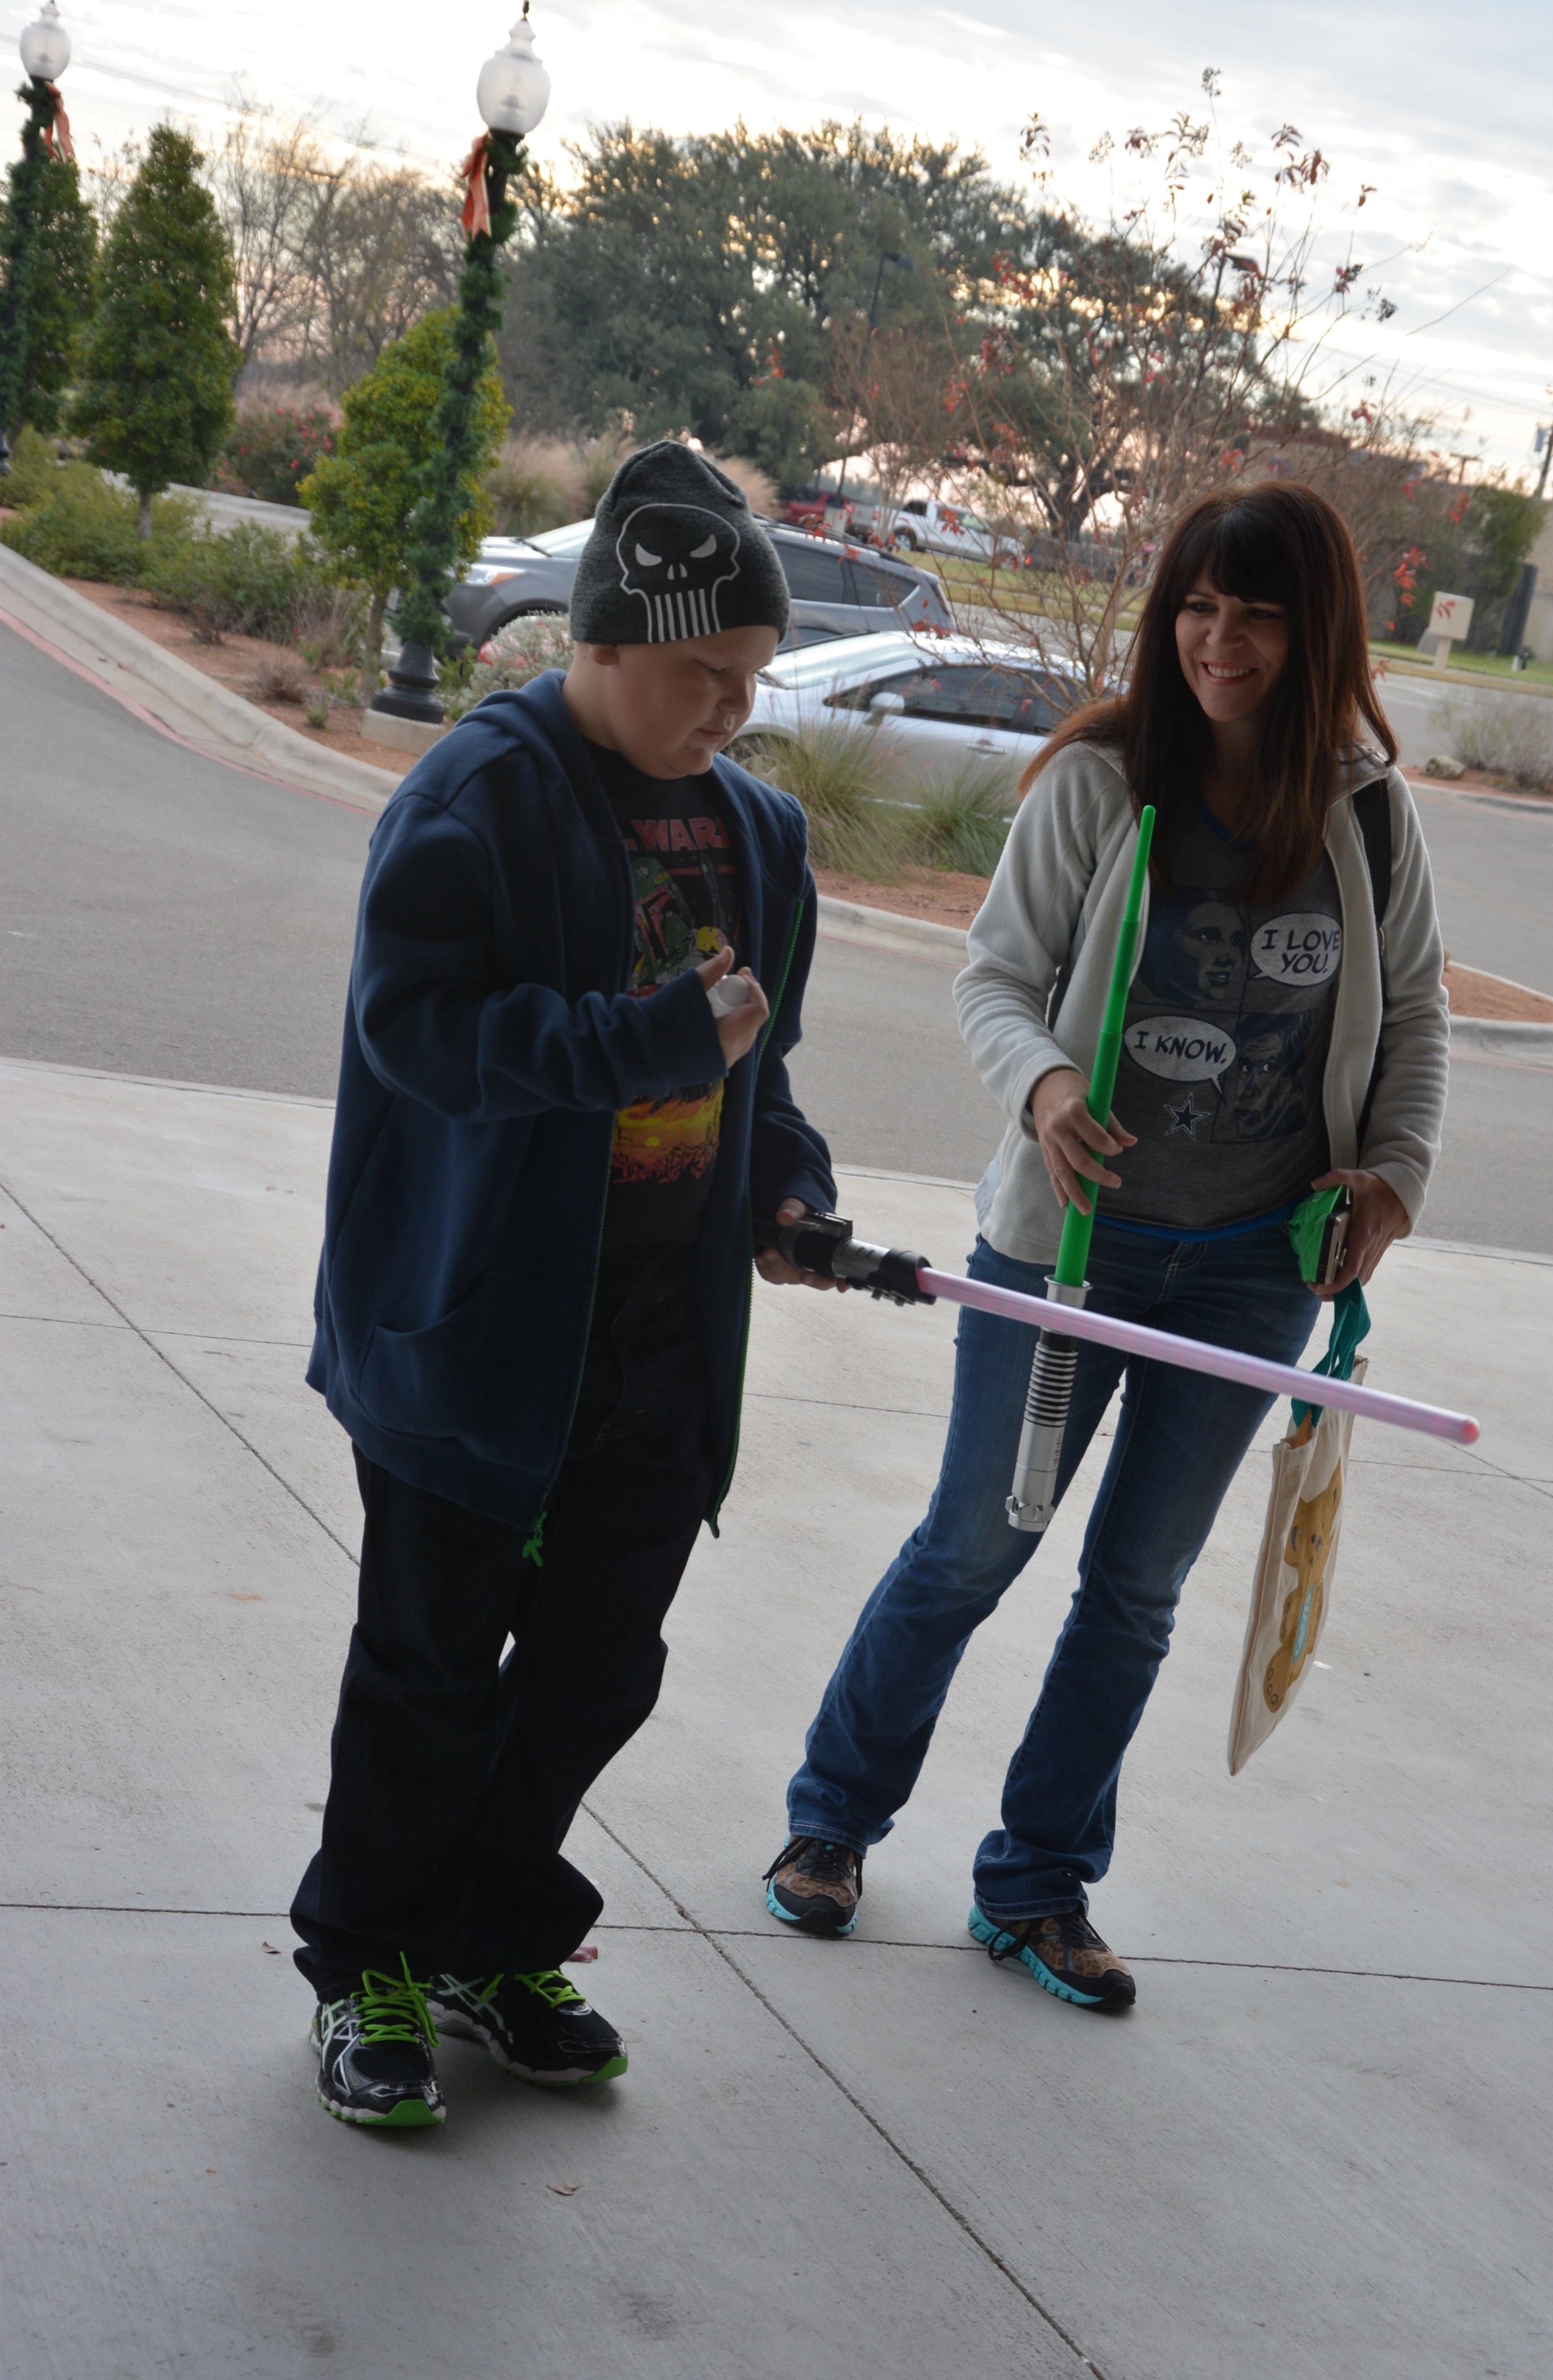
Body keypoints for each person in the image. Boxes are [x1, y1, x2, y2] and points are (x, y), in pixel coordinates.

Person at [764, 481, 1448, 2012]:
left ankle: (1040, 1884)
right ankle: (832, 1823)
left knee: (1138, 1588)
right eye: (1198, 607)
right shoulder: (1100, 779)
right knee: (971, 1549)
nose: (1220, 639)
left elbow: (1415, 1021)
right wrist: (1048, 1082)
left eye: (1258, 613)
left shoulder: (1369, 813)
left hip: (1260, 1268)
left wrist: (1392, 1177)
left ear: (1316, 627)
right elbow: (994, 979)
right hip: (1068, 1255)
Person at [293, 443, 837, 2127]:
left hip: (662, 1343)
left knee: (602, 1664)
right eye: (708, 677)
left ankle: (490, 1929)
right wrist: (648, 1041)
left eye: (754, 683)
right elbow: (420, 1034)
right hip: (477, 1329)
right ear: (606, 638)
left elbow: (762, 1075)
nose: (735, 715)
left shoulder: (760, 835)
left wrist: (785, 1181)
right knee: (431, 1664)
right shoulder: (475, 798)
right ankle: (373, 1956)